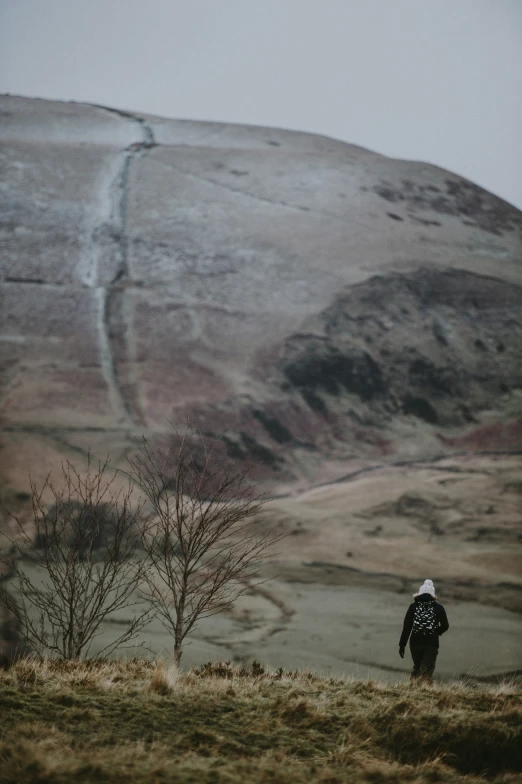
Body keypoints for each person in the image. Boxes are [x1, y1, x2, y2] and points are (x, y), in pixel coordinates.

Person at [399, 579, 449, 682]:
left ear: (419, 593)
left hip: (415, 643)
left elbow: (407, 627)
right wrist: (436, 632)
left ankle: (412, 689)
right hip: (431, 643)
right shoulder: (439, 608)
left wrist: (402, 645)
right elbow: (445, 626)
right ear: (433, 594)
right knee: (426, 671)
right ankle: (425, 692)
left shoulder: (413, 607)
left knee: (417, 667)